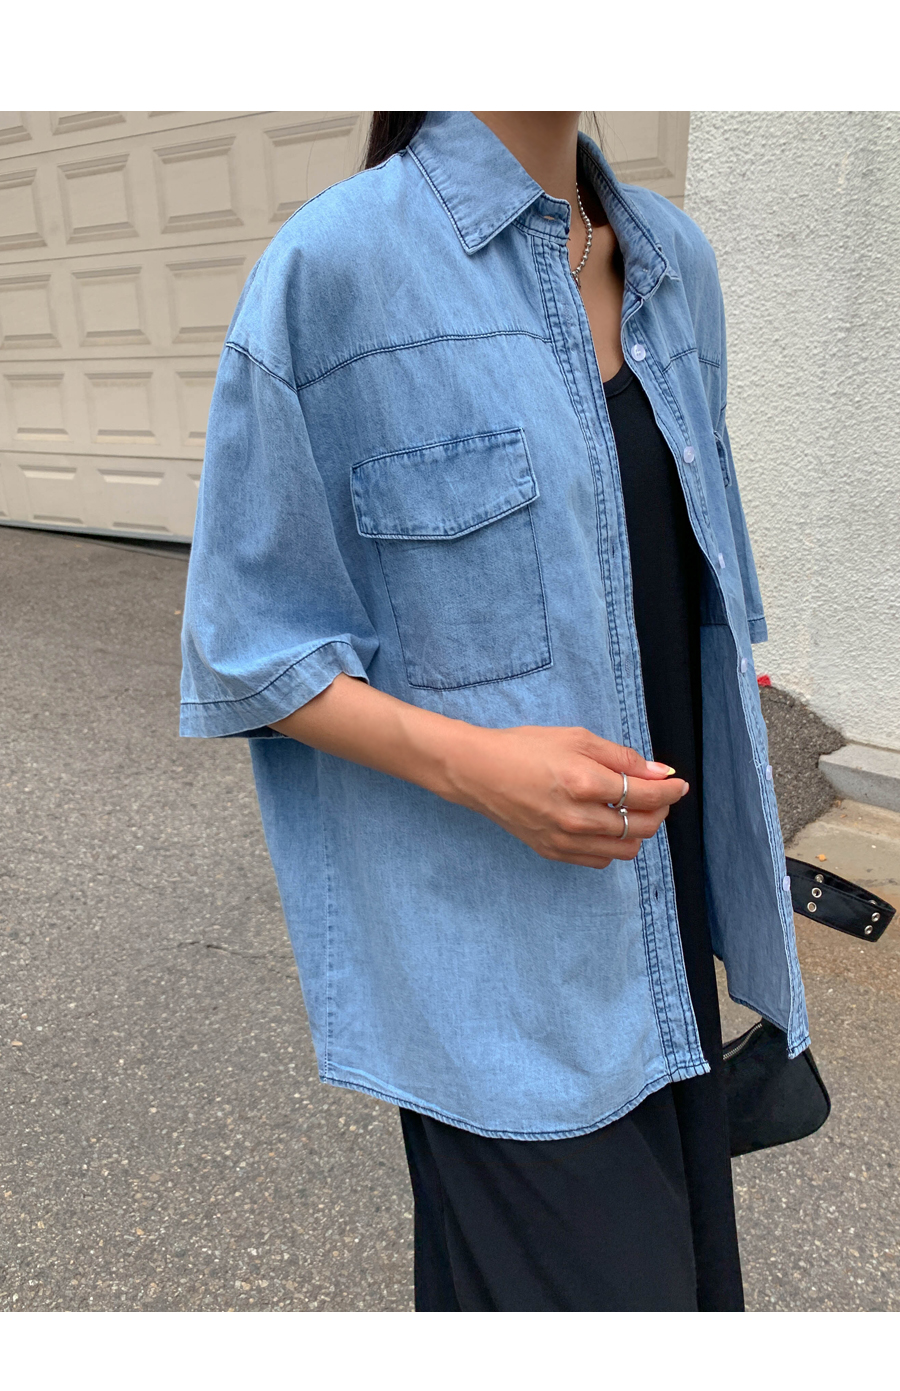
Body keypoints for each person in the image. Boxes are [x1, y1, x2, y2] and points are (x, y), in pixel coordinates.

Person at [180, 110, 809, 1311]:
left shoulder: (673, 261)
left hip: (668, 929)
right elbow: (247, 646)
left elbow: (691, 616)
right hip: (493, 973)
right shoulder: (334, 270)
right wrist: (479, 767)